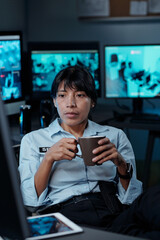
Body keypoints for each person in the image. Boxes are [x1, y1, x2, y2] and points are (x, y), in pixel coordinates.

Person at [19, 65, 160, 240]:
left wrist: (121, 165)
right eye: (62, 95)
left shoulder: (114, 136)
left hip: (112, 211)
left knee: (155, 195)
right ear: (54, 101)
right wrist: (48, 159)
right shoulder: (33, 140)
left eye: (80, 95)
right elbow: (31, 202)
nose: (70, 103)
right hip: (67, 216)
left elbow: (131, 198)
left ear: (92, 101)